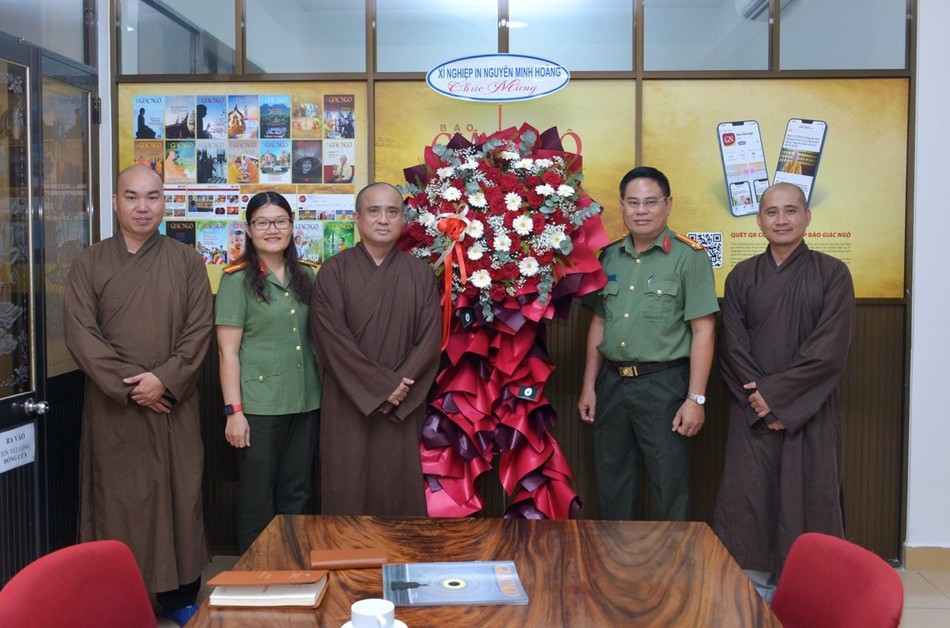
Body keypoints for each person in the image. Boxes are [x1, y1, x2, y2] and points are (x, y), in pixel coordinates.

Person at [63, 165, 213, 626]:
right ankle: (114, 596)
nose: (142, 206)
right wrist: (136, 385)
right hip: (116, 412)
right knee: (118, 500)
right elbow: (81, 334)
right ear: (114, 203)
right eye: (132, 197)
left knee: (179, 494)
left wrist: (164, 379)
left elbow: (198, 329)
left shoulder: (187, 261)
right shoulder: (88, 262)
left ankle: (179, 595)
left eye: (152, 197)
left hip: (173, 405)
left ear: (165, 203)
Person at [713, 182, 854, 600]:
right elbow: (731, 346)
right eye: (771, 212)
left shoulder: (832, 274)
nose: (781, 220)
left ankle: (808, 589)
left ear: (807, 217)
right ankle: (752, 586)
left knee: (807, 494)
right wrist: (760, 401)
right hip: (750, 410)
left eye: (791, 211)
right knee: (749, 494)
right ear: (758, 220)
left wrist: (774, 397)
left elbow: (828, 352)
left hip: (808, 410)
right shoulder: (741, 276)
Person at [578, 166, 718, 521]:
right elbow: (599, 321)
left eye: (651, 202)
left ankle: (667, 574)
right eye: (633, 202)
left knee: (668, 484)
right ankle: (616, 569)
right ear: (622, 206)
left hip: (665, 386)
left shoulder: (690, 257)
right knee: (612, 483)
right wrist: (589, 387)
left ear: (668, 205)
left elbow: (704, 330)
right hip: (612, 383)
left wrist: (695, 399)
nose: (641, 210)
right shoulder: (608, 256)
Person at [309, 182, 441, 515]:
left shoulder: (420, 275)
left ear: (403, 219)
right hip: (348, 403)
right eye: (374, 211)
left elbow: (429, 341)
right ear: (356, 217)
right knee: (347, 485)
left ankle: (401, 563)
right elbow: (331, 341)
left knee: (397, 489)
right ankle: (348, 565)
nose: (383, 219)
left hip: (401, 407)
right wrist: (385, 387)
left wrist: (399, 387)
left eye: (392, 211)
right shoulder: (333, 272)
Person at [215, 191, 322, 553]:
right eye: (262, 222)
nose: (272, 229)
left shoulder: (306, 274)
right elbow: (227, 352)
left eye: (280, 221)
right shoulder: (236, 280)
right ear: (249, 229)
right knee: (257, 496)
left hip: (305, 401)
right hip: (258, 407)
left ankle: (292, 567)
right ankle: (255, 574)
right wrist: (235, 412)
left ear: (292, 226)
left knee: (297, 492)